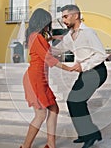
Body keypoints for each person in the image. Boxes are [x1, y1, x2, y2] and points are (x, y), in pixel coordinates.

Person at [52, 4, 108, 148]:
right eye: (62, 17)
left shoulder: (88, 32)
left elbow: (101, 54)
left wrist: (82, 66)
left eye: (65, 16)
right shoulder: (69, 36)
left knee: (76, 101)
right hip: (86, 72)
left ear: (75, 16)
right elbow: (57, 50)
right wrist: (40, 43)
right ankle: (86, 134)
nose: (63, 20)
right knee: (72, 101)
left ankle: (91, 135)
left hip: (96, 71)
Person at [21, 8, 74, 148]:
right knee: (40, 114)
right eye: (46, 22)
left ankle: (50, 144)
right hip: (35, 78)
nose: (47, 25)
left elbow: (44, 49)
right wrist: (67, 68)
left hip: (40, 77)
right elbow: (47, 57)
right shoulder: (35, 36)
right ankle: (25, 146)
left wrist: (53, 38)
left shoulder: (37, 37)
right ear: (41, 22)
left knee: (54, 109)